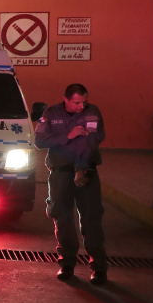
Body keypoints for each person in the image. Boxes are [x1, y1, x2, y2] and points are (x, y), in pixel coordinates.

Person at [34, 83, 108, 285]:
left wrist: (80, 167)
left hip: (86, 173)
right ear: (65, 99)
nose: (81, 106)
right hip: (60, 174)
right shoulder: (50, 113)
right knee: (62, 219)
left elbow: (92, 140)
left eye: (83, 101)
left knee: (92, 220)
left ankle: (99, 268)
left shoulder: (92, 112)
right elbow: (39, 141)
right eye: (76, 102)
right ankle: (66, 265)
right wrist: (68, 136)